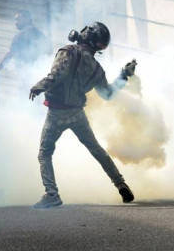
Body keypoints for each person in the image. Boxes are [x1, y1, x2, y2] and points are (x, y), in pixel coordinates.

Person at [28, 21, 137, 208]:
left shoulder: (68, 52)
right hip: (77, 113)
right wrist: (123, 75)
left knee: (45, 153)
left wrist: (38, 87)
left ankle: (51, 194)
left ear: (88, 36)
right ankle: (121, 184)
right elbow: (108, 94)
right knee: (96, 149)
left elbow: (56, 76)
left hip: (57, 113)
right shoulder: (96, 69)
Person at [0, 10, 48, 80]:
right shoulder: (40, 33)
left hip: (26, 76)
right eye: (15, 20)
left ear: (27, 19)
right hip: (41, 75)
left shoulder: (20, 36)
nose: (15, 23)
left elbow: (9, 55)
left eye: (18, 19)